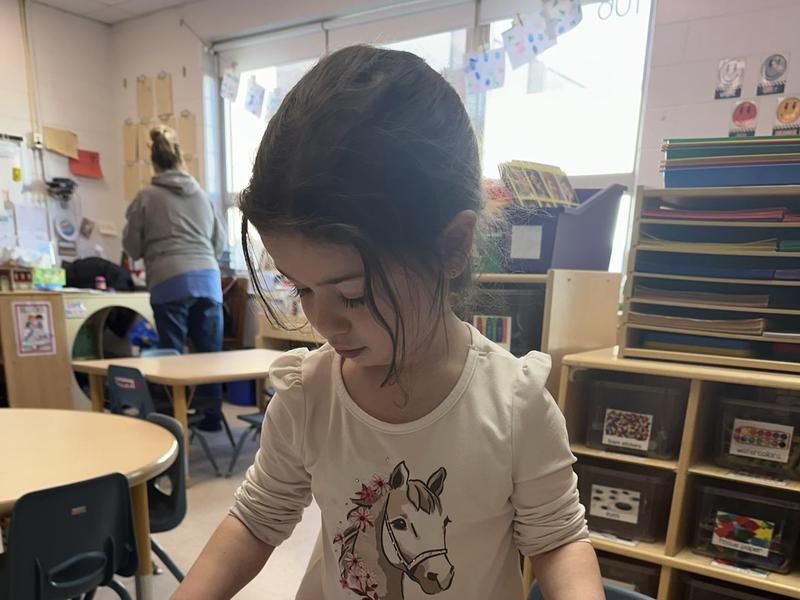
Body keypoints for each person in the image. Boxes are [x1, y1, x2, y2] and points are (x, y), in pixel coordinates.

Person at [172, 46, 603, 599]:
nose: (322, 321)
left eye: (352, 295)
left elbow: (559, 540)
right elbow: (256, 520)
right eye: (301, 287)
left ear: (452, 246)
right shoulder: (309, 398)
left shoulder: (513, 407)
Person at [122, 125, 226, 425]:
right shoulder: (203, 196)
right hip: (208, 280)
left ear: (153, 162)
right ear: (181, 159)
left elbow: (131, 246)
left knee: (171, 355)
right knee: (210, 355)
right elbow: (218, 244)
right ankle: (212, 414)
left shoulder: (146, 196)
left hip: (169, 281)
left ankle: (172, 417)